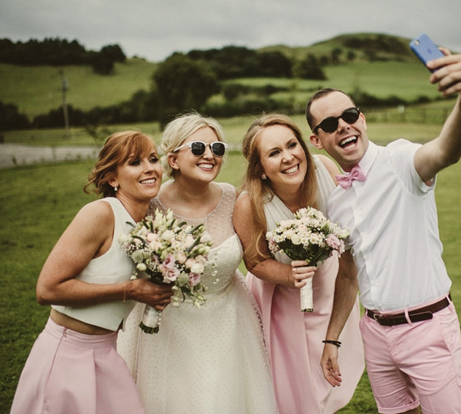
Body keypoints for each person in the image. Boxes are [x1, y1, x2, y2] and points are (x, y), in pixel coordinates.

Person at [306, 48, 461, 414]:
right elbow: (349, 274)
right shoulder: (335, 202)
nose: (343, 125)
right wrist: (333, 338)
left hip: (427, 327)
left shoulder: (401, 162)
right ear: (317, 140)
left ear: (362, 119)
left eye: (349, 115)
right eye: (329, 124)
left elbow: (447, 150)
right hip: (376, 334)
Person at [117, 113, 278, 414]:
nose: (209, 155)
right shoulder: (148, 205)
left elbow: (256, 259)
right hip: (166, 329)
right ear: (173, 159)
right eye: (198, 147)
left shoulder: (234, 198)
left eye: (216, 148)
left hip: (230, 324)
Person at [10, 131, 174, 414]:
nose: (149, 169)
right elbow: (47, 290)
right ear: (113, 178)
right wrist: (130, 291)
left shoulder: (148, 223)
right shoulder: (100, 214)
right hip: (66, 356)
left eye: (153, 159)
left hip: (107, 352)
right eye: (135, 162)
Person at [233, 114, 365, 414]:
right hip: (282, 303)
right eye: (274, 153)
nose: (289, 157)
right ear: (261, 169)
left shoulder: (325, 170)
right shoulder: (250, 202)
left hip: (332, 290)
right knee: (294, 390)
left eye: (292, 145)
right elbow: (254, 261)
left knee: (329, 376)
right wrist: (286, 273)